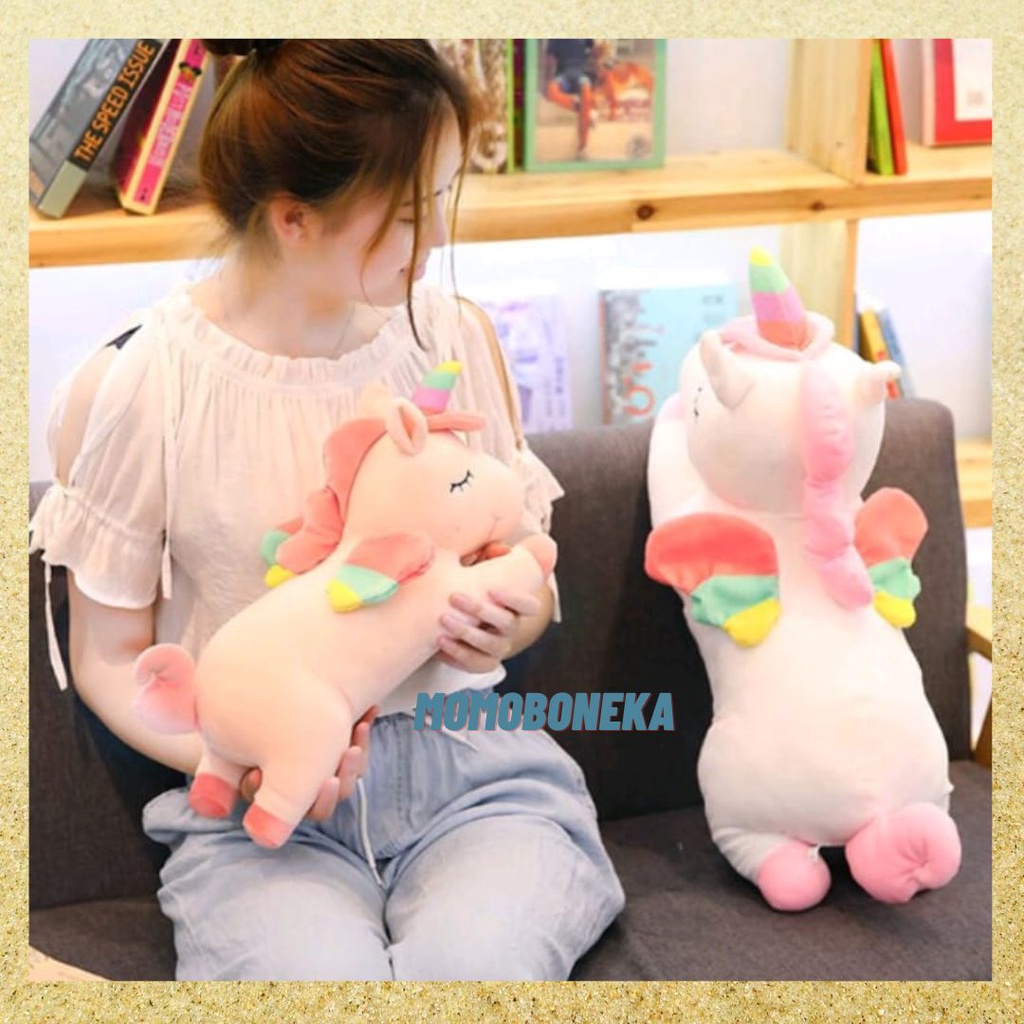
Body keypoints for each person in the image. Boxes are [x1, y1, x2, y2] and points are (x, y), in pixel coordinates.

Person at [30, 39, 624, 981]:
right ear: (294, 217)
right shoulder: (144, 383)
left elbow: (526, 562)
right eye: (409, 214)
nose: (436, 242)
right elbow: (108, 658)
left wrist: (510, 622)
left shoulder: (452, 338)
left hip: (475, 784)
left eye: (443, 199)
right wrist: (249, 756)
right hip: (260, 823)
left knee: (475, 970)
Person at [542, 38, 599, 159]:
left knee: (586, 91)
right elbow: (549, 59)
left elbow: (594, 53)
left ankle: (582, 148)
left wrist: (597, 53)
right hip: (563, 77)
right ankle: (585, 109)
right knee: (551, 91)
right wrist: (546, 82)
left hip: (581, 76)